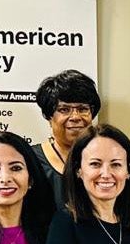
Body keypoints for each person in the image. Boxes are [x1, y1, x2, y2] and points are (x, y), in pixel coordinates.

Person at [33, 69, 101, 204]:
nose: (75, 117)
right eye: (64, 110)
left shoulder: (107, 158)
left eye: (82, 109)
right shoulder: (31, 159)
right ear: (49, 116)